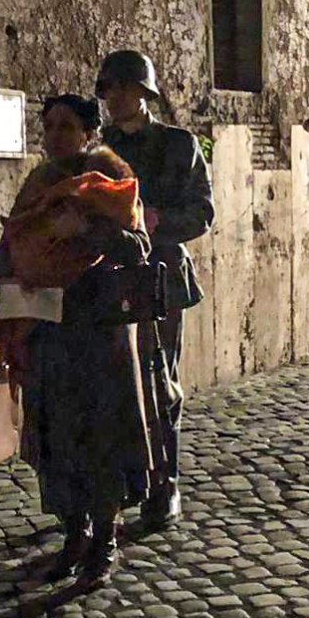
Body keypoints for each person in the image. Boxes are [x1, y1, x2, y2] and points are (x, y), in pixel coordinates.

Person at [0, 95, 154, 587]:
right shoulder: (37, 186)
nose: (56, 135)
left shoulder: (112, 183)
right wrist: (15, 268)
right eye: (49, 126)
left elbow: (138, 247)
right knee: (59, 438)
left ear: (88, 134)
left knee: (101, 436)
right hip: (49, 335)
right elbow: (5, 253)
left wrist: (88, 227)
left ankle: (104, 539)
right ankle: (73, 532)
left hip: (98, 334)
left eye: (67, 126)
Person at [95, 50, 214, 530]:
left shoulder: (178, 146)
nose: (115, 99)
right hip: (104, 279)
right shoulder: (95, 145)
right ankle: (126, 480)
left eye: (124, 88)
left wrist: (160, 220)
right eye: (109, 90)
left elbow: (202, 212)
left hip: (159, 277)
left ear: (144, 94)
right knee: (113, 385)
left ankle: (165, 483)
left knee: (160, 383)